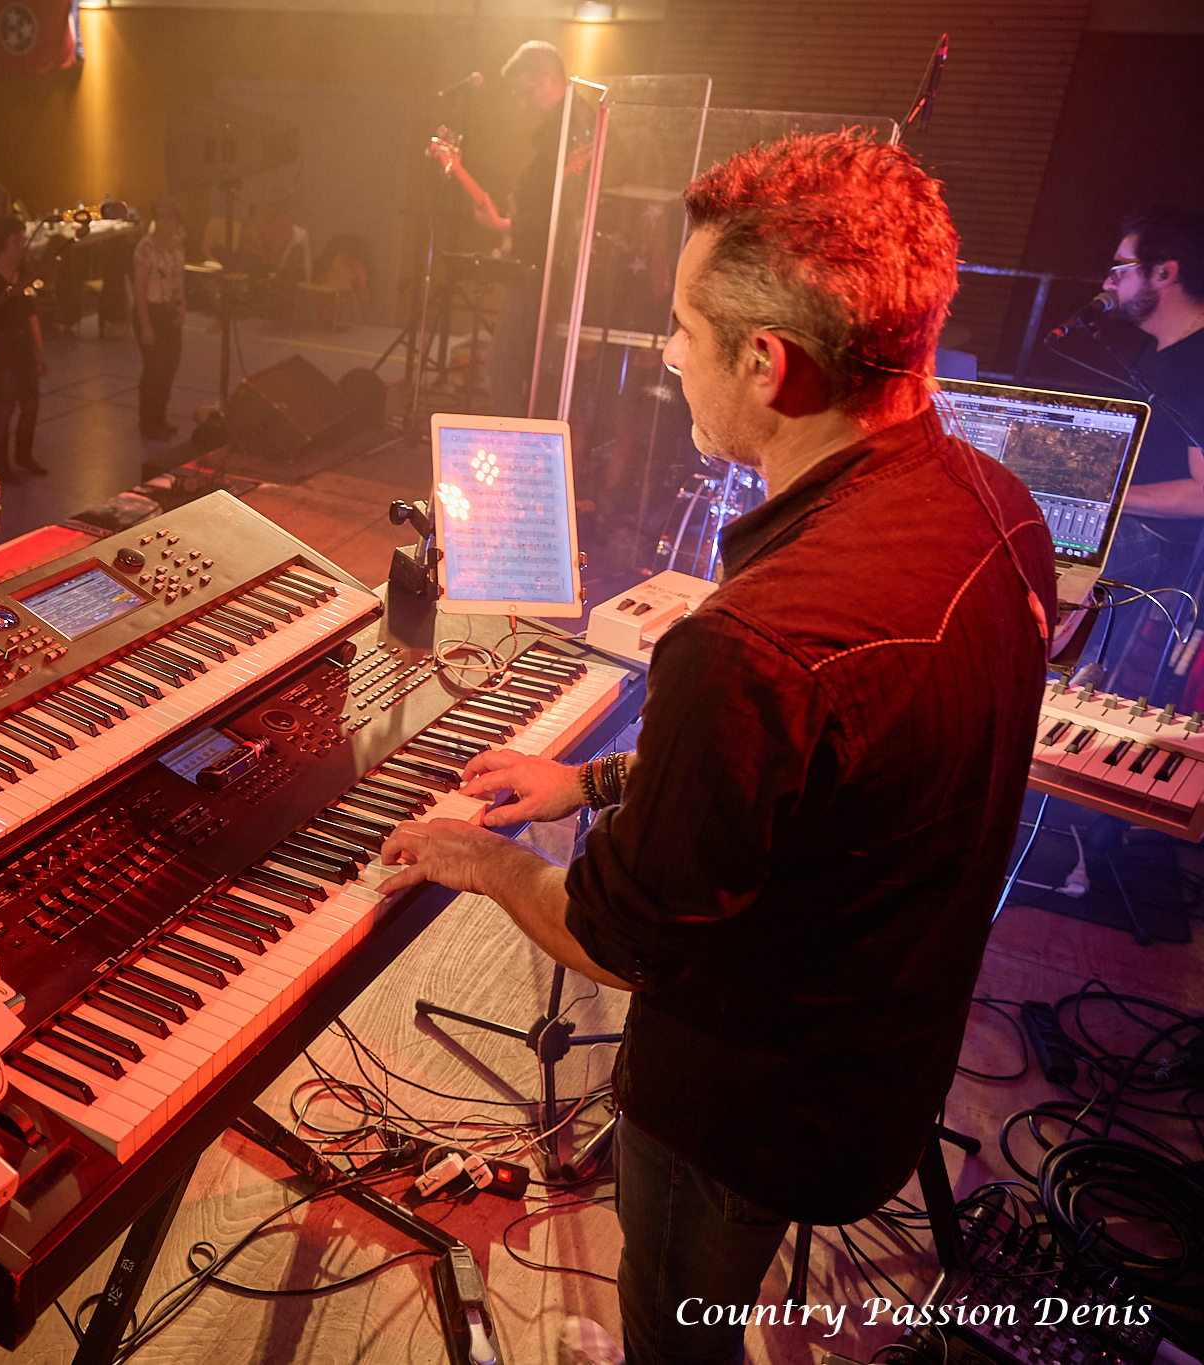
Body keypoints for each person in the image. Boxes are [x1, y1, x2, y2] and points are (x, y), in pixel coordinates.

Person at [375, 132, 1055, 1365]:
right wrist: (590, 780)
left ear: (764, 363)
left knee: (675, 1338)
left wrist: (477, 860)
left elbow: (611, 939)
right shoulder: (996, 506)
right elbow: (824, 784)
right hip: (885, 1067)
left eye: (681, 328)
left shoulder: (750, 643)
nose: (667, 353)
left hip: (743, 1116)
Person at [1081, 206, 1204, 702]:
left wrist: (1106, 498)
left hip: (1163, 550)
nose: (1107, 282)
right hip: (1132, 529)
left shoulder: (1198, 363)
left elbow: (1202, 495)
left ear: (1164, 273)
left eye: (1120, 269)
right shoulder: (1157, 349)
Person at [433, 40, 571, 416]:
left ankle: (516, 442)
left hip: (544, 270)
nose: (523, 105)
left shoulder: (569, 132)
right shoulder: (554, 133)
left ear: (549, 79)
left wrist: (507, 224)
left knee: (504, 368)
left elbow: (565, 211)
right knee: (516, 368)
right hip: (536, 266)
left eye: (526, 93)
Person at [0, 213, 48, 482]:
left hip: (22, 345)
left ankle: (24, 456)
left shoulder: (21, 274)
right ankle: (1, 466)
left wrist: (40, 351)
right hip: (0, 349)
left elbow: (31, 314)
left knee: (31, 403)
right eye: (16, 241)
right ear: (2, 244)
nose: (21, 246)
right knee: (5, 407)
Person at [133, 196, 187, 440]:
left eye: (170, 217)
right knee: (154, 368)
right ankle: (148, 421)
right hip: (151, 311)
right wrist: (145, 324)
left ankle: (160, 415)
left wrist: (182, 305)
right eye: (161, 217)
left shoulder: (177, 246)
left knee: (170, 365)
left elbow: (178, 279)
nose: (166, 222)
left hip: (169, 310)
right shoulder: (145, 248)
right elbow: (140, 288)